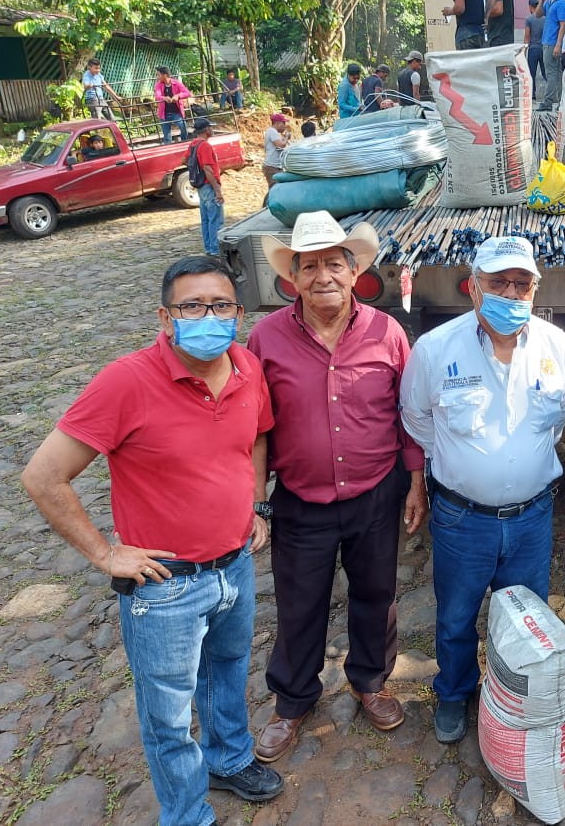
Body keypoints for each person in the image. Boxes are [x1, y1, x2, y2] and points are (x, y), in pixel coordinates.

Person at [21, 255, 284, 826]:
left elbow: (256, 438)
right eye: (192, 306)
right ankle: (187, 814)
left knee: (228, 673)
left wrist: (255, 504)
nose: (208, 317)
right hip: (165, 586)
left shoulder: (246, 367)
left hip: (235, 565)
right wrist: (104, 553)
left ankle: (229, 759)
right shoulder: (126, 381)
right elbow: (43, 476)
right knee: (168, 715)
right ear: (166, 318)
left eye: (220, 305)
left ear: (239, 314)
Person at [247, 210, 427, 760]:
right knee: (299, 602)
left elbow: (409, 413)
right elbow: (254, 426)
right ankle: (292, 700)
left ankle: (370, 681)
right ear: (292, 278)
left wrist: (415, 482)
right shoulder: (265, 338)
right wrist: (256, 500)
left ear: (354, 273)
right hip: (301, 499)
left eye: (334, 264)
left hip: (376, 492)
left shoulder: (387, 332)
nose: (322, 276)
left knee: (377, 593)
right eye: (309, 267)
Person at [400, 235, 565, 744]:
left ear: (535, 289)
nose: (511, 294)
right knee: (456, 616)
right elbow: (417, 419)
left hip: (531, 518)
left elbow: (560, 416)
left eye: (522, 284)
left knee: (525, 619)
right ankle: (454, 692)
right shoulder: (435, 349)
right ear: (473, 287)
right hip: (462, 519)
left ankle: (513, 699)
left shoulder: (557, 347)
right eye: (498, 283)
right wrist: (464, 465)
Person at [189, 117, 223, 257]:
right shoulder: (205, 146)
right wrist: (217, 190)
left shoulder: (193, 144)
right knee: (215, 219)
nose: (212, 129)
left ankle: (209, 247)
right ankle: (216, 249)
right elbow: (208, 169)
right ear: (206, 130)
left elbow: (185, 159)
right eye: (210, 127)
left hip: (201, 186)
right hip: (209, 185)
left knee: (206, 219)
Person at [536, 0, 565, 111]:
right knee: (556, 73)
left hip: (552, 43)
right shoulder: (550, 1)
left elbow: (563, 25)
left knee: (551, 73)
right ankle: (562, 101)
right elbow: (537, 14)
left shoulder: (562, 3)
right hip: (547, 41)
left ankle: (548, 102)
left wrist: (558, 44)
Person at [154, 66, 192, 144]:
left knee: (183, 127)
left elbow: (187, 93)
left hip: (176, 112)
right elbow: (157, 96)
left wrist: (178, 96)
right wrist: (164, 98)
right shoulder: (158, 85)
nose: (157, 77)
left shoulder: (176, 83)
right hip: (164, 113)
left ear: (165, 75)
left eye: (158, 75)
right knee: (167, 135)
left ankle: (184, 142)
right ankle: (168, 147)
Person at [524, 0, 546, 98]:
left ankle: (532, 94)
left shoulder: (529, 19)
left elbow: (527, 36)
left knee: (531, 73)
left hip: (533, 49)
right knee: (545, 72)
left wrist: (524, 50)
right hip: (543, 48)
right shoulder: (545, 18)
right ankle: (550, 93)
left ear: (530, 7)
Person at [262, 112, 290, 188]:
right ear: (278, 123)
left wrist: (284, 138)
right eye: (284, 123)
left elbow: (280, 147)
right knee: (275, 189)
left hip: (275, 166)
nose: (285, 126)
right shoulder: (272, 132)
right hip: (272, 166)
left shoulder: (273, 132)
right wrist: (286, 137)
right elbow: (280, 145)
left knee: (278, 188)